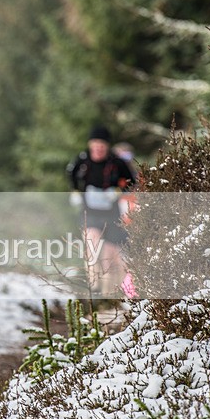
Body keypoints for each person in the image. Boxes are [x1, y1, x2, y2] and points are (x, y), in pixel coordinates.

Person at [67, 126, 137, 296]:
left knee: (110, 255)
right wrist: (76, 192)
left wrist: (117, 192)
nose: (98, 148)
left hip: (112, 215)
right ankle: (94, 286)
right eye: (95, 144)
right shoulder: (82, 161)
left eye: (102, 145)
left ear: (107, 146)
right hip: (89, 213)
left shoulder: (117, 163)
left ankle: (111, 294)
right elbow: (71, 177)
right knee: (92, 243)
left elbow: (131, 181)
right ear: (90, 145)